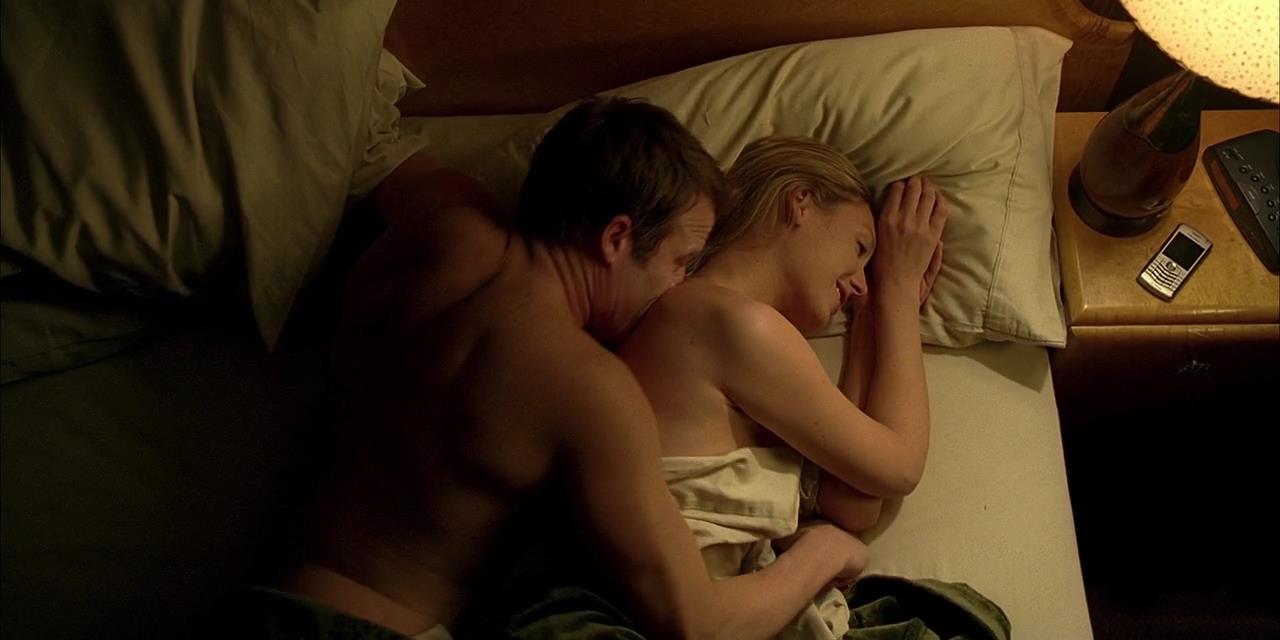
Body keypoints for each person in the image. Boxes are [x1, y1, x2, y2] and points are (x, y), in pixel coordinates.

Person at [245, 101, 868, 640]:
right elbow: (698, 622)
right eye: (680, 260)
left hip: (260, 605)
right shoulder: (587, 388)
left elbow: (380, 148)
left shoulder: (441, 222)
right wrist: (823, 551)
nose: (679, 285)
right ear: (616, 237)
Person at [617, 136, 949, 637]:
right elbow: (899, 466)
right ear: (801, 201)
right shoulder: (731, 322)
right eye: (859, 247)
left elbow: (852, 500)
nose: (860, 282)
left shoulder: (710, 321)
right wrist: (898, 293)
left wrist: (871, 320)